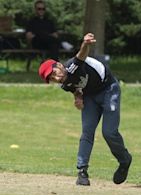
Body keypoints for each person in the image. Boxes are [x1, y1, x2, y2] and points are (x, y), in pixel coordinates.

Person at [38, 33, 132, 186]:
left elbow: (81, 55)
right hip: (90, 96)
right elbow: (76, 88)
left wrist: (86, 43)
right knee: (87, 131)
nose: (55, 78)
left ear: (59, 65)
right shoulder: (63, 84)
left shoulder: (72, 67)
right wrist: (78, 97)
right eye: (51, 79)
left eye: (53, 73)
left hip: (108, 89)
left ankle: (124, 160)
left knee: (109, 132)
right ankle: (82, 172)